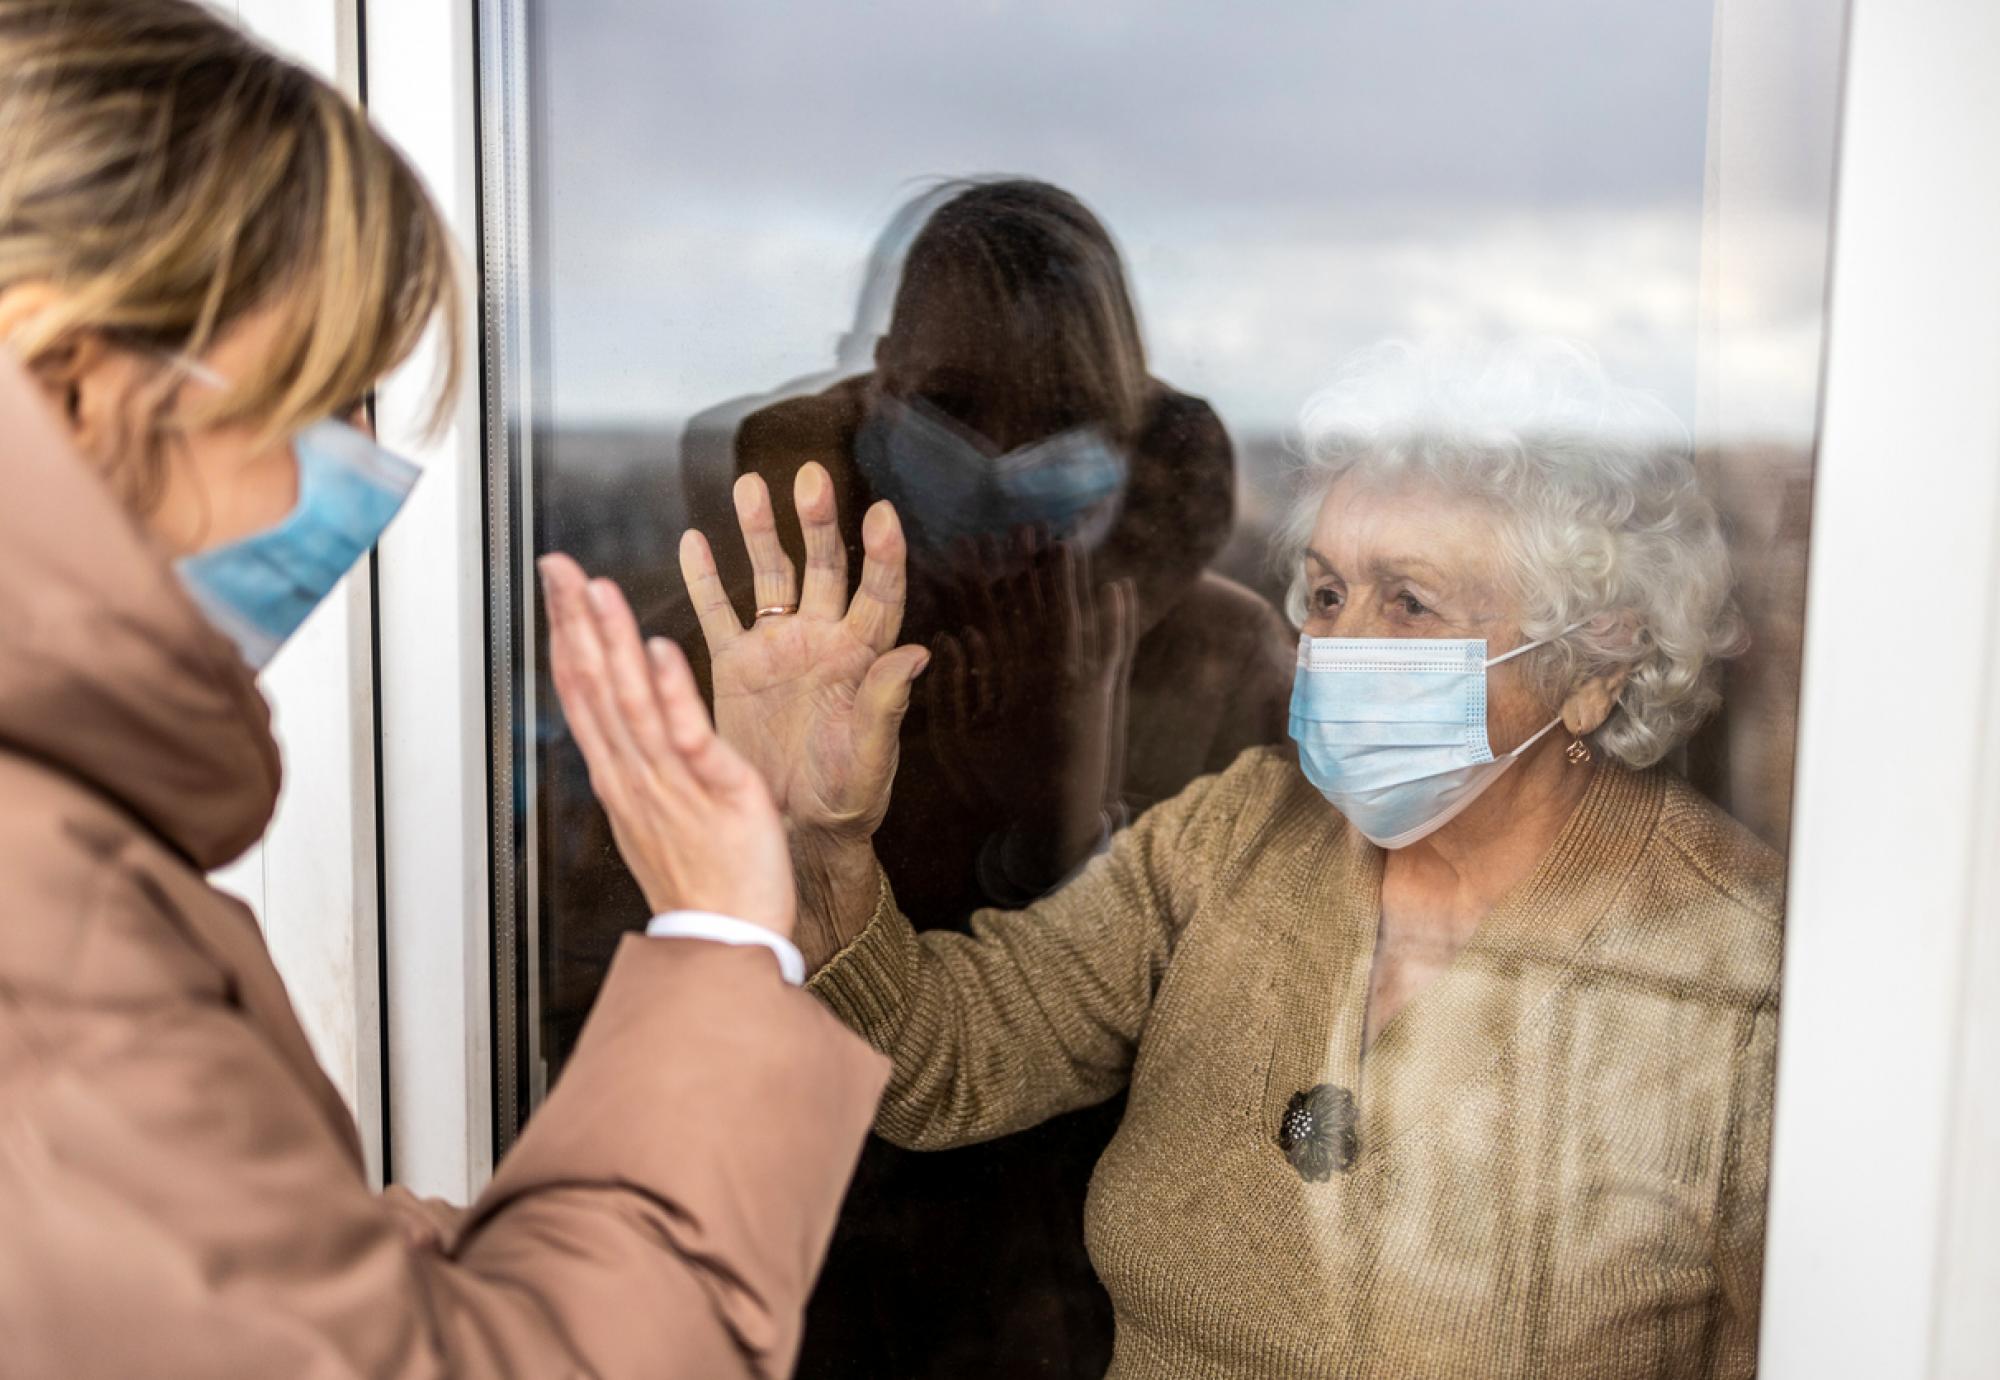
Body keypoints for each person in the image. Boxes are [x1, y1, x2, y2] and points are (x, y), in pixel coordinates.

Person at [0, 3, 885, 1375]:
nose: (358, 467)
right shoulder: (46, 938)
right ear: (68, 379)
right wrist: (720, 940)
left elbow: (234, 1295)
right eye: (320, 391)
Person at [667, 337, 1783, 1378]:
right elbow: (941, 1059)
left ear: (1597, 655)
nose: (1334, 652)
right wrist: (815, 846)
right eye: (1329, 594)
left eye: (1409, 603)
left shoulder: (1736, 973)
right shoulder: (1240, 829)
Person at [666, 178, 1295, 1378]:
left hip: (1097, 1287)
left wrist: (1061, 800)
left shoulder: (1224, 659)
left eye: (1060, 416)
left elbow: (1248, 1041)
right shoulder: (722, 647)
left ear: (1127, 423)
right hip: (797, 1266)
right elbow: (589, 1000)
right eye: (951, 406)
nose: (1001, 461)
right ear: (880, 382)